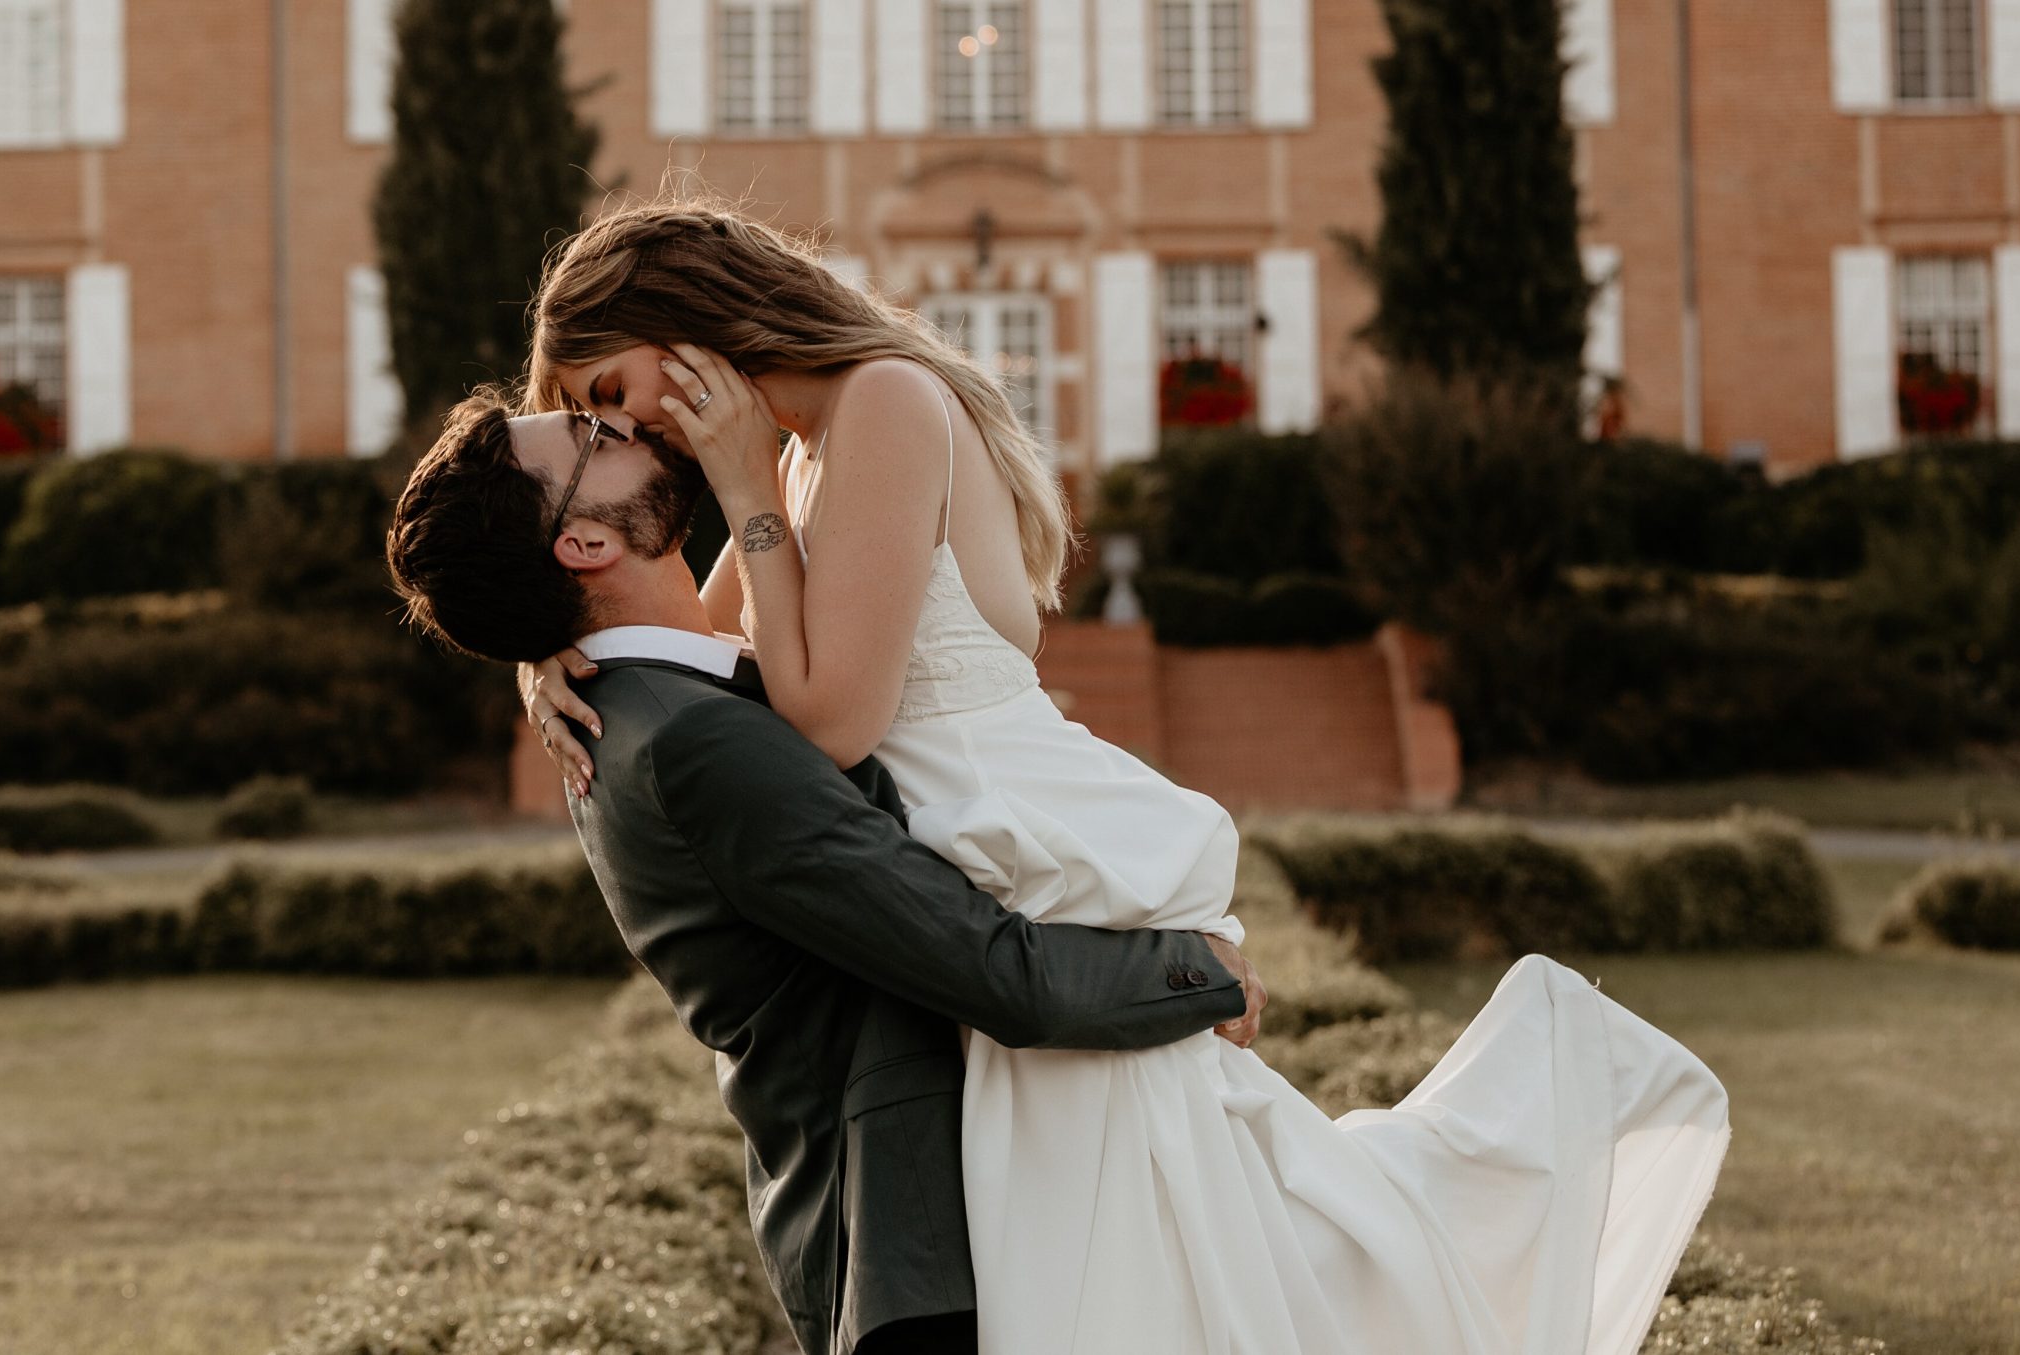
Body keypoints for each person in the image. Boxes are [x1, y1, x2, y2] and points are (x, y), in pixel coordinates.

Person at [510, 202, 1732, 1355]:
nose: (623, 429)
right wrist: (555, 647)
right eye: (590, 419)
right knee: (1125, 1243)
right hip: (958, 849)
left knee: (1150, 1242)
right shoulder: (797, 460)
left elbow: (824, 724)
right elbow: (722, 669)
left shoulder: (879, 402)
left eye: (609, 392)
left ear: (687, 314)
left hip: (1015, 844)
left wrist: (735, 493)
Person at [386, 395, 1267, 1355]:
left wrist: (531, 659)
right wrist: (1203, 970)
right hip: (919, 1260)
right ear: (587, 545)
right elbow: (989, 966)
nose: (627, 426)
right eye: (591, 439)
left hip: (940, 1225)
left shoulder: (650, 695)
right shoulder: (688, 740)